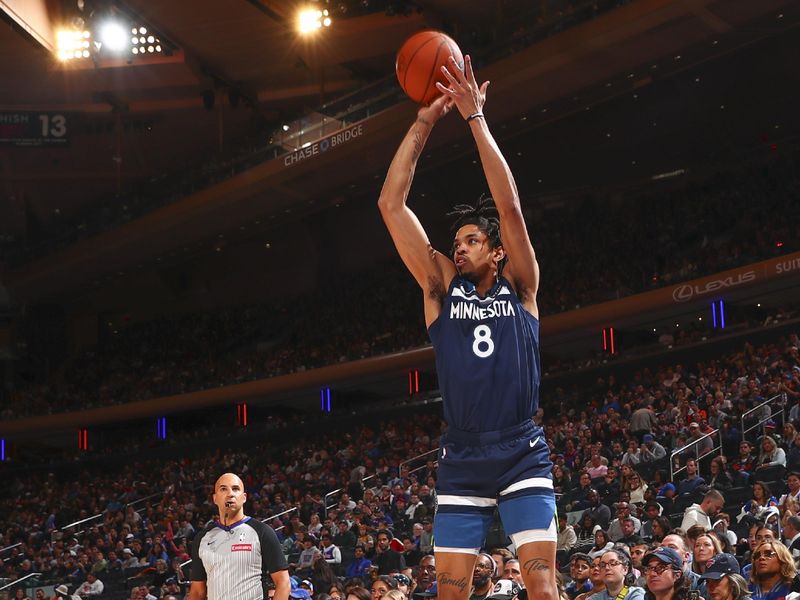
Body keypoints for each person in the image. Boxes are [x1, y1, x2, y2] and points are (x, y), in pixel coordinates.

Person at [378, 54, 556, 600]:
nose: (458, 246)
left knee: (543, 586)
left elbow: (510, 204)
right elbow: (390, 203)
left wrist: (474, 117)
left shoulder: (521, 287)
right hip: (462, 456)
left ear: (498, 252)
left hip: (522, 446)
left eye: (471, 240)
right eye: (454, 242)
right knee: (450, 593)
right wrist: (424, 122)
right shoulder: (439, 289)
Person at [188, 472, 290, 600]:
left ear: (244, 497)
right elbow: (197, 592)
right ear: (215, 498)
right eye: (223, 489)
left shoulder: (262, 532)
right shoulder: (202, 538)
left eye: (235, 489)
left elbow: (283, 583)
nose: (230, 494)